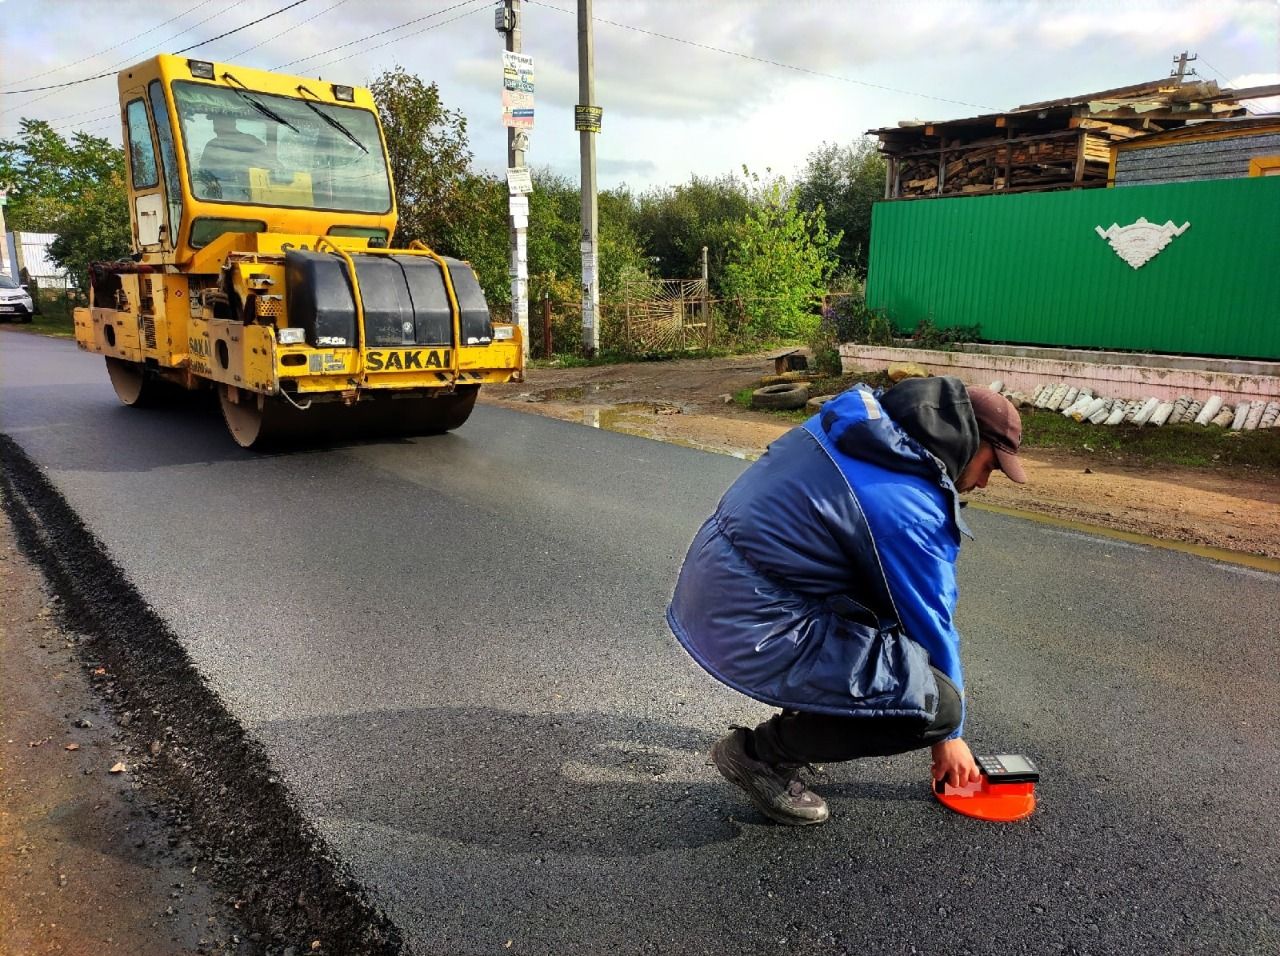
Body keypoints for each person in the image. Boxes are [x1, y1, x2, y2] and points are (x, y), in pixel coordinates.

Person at [667, 375, 1026, 825]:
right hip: (751, 617)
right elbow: (932, 622)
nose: (986, 484)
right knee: (936, 702)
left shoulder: (864, 423)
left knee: (881, 607)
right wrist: (949, 736)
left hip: (718, 578)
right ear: (967, 442)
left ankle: (806, 721)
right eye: (991, 467)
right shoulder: (906, 505)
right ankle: (759, 755)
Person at [197, 115, 266, 201]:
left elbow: (269, 165)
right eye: (215, 122)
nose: (215, 126)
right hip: (219, 197)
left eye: (218, 122)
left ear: (231, 123)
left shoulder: (251, 142)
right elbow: (203, 173)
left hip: (250, 197)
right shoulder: (211, 145)